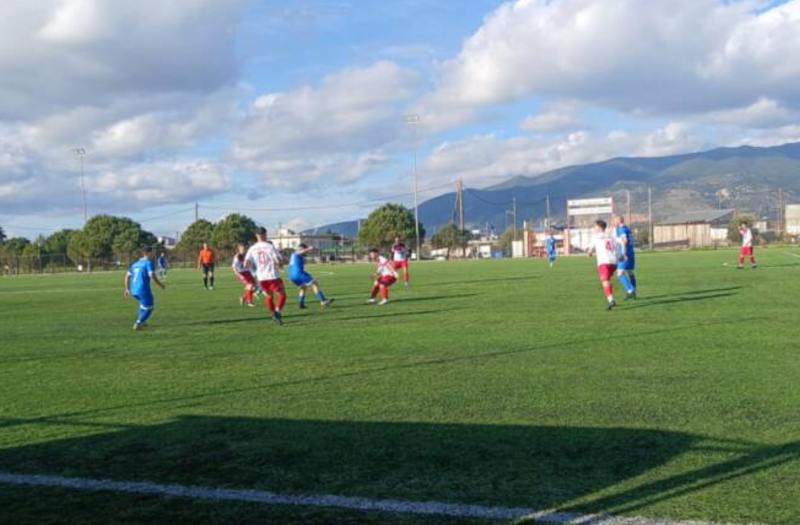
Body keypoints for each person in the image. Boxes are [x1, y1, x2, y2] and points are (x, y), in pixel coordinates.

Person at [244, 227, 286, 325]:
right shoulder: (270, 246)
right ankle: (277, 312)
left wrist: (252, 267)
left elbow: (246, 264)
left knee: (269, 296)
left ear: (256, 236)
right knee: (282, 294)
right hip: (272, 275)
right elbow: (278, 260)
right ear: (265, 234)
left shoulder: (252, 248)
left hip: (261, 277)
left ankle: (273, 314)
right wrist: (281, 265)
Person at [124, 246, 165, 330]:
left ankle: (143, 321)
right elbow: (151, 275)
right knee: (150, 307)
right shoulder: (148, 263)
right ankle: (138, 323)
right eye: (152, 252)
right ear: (148, 253)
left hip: (133, 290)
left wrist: (127, 289)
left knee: (143, 305)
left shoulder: (135, 264)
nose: (154, 254)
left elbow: (127, 276)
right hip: (143, 289)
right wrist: (160, 284)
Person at [587, 220, 619, 310]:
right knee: (607, 280)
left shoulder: (595, 237)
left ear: (599, 227)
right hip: (614, 262)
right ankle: (611, 298)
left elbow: (590, 251)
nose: (594, 228)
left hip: (603, 262)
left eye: (595, 226)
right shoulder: (611, 235)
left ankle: (611, 300)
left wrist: (589, 253)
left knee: (605, 281)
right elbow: (617, 245)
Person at [288, 244, 333, 309]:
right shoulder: (297, 253)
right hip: (299, 274)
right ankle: (323, 300)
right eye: (305, 250)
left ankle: (301, 304)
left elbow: (293, 264)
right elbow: (301, 252)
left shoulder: (293, 255)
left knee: (303, 288)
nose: (306, 253)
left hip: (292, 275)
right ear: (301, 248)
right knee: (315, 284)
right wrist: (309, 248)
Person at [614, 215, 637, 299]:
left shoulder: (621, 229)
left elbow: (624, 240)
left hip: (625, 253)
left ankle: (630, 290)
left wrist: (623, 253)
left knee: (619, 273)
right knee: (630, 272)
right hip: (631, 253)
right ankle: (633, 291)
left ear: (618, 221)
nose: (614, 222)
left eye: (615, 221)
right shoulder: (627, 228)